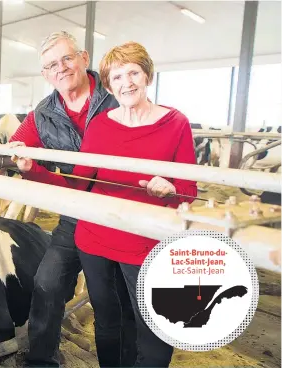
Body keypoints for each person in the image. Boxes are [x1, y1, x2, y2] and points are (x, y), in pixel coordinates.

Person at [0, 31, 136, 366]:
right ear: (45, 74)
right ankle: (42, 361)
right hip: (75, 212)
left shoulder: (116, 94)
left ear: (84, 58)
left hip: (120, 214)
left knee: (115, 301)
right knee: (46, 285)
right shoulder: (42, 114)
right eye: (52, 65)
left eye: (67, 58)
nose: (62, 68)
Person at [14, 41, 197, 367]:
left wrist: (170, 189)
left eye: (133, 73)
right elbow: (77, 187)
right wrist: (33, 171)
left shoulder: (176, 123)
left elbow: (188, 189)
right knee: (108, 321)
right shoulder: (99, 125)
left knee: (153, 328)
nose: (126, 82)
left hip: (145, 242)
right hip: (95, 239)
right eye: (118, 77)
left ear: (147, 76)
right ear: (109, 85)